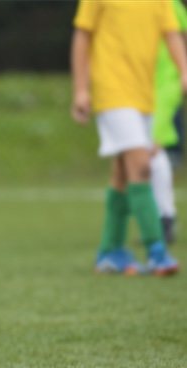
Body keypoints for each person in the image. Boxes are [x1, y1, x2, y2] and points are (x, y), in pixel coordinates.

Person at [70, 0, 187, 276]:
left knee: (123, 173)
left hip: (145, 97)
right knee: (142, 165)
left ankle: (110, 252)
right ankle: (157, 251)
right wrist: (80, 89)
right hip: (111, 91)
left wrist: (184, 70)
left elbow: (172, 34)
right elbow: (82, 36)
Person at [151, 0, 187, 244]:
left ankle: (164, 218)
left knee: (153, 147)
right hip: (140, 85)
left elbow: (179, 36)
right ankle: (160, 217)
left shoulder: (169, 5)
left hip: (165, 84)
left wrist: (183, 71)